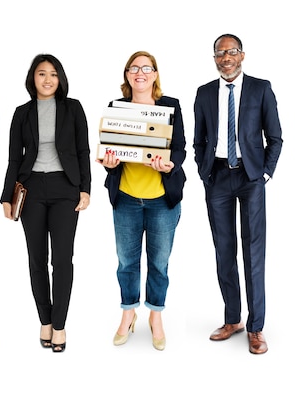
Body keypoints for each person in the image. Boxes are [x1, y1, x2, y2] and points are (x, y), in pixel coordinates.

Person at [193, 34, 282, 355]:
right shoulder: (204, 93)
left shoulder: (261, 88)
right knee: (224, 251)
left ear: (242, 55)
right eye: (220, 53)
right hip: (216, 177)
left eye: (231, 52)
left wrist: (264, 174)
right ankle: (233, 319)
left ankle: (256, 327)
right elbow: (199, 140)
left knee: (253, 253)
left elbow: (275, 137)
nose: (226, 58)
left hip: (250, 177)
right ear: (214, 58)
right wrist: (204, 173)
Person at [0, 54, 90, 353]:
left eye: (53, 73)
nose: (48, 79)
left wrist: (85, 189)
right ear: (32, 78)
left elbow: (83, 150)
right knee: (36, 259)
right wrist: (5, 197)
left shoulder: (73, 108)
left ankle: (60, 325)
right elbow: (14, 157)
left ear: (60, 78)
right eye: (41, 74)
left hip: (66, 188)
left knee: (62, 260)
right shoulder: (22, 112)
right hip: (32, 190)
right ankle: (45, 321)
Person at [98, 51, 186, 351]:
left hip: (162, 200)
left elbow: (181, 148)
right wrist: (109, 163)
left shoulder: (170, 106)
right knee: (127, 262)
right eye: (134, 68)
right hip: (126, 199)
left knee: (159, 263)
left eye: (146, 68)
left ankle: (156, 316)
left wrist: (171, 164)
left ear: (155, 74)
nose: (140, 73)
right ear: (126, 74)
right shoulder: (117, 107)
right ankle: (128, 312)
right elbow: (110, 149)